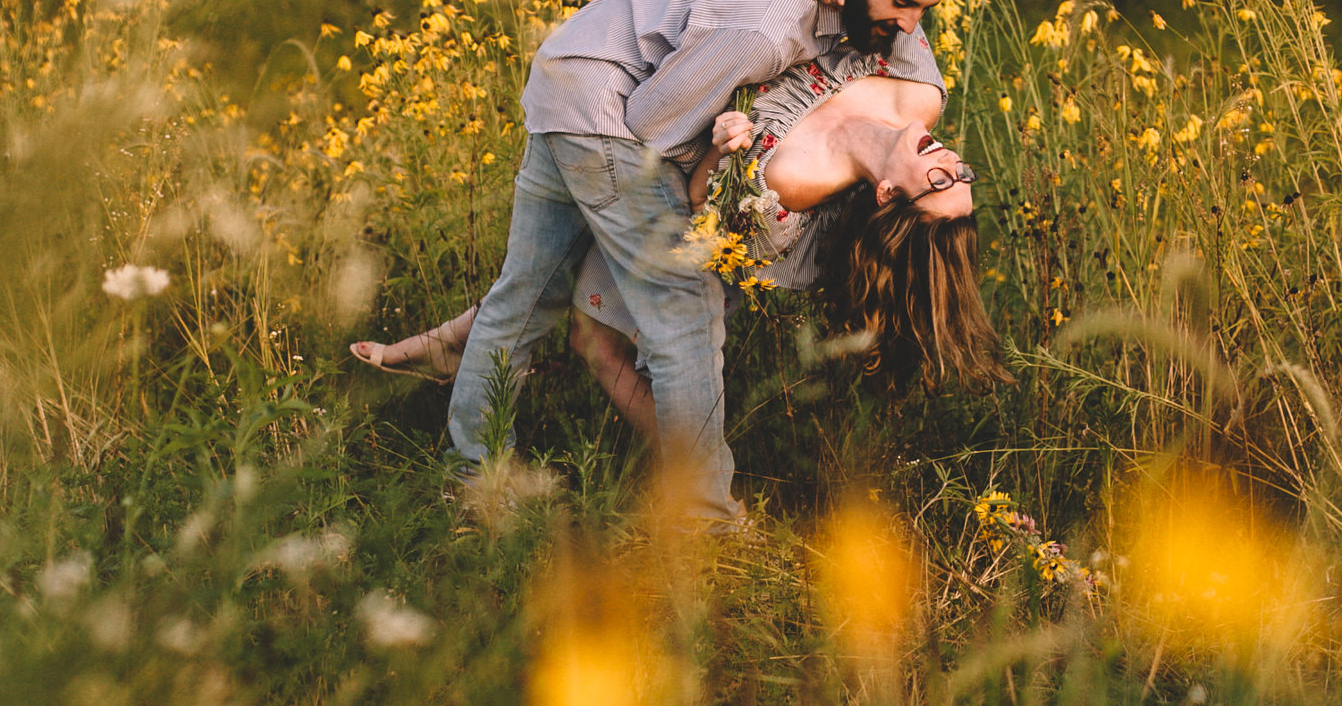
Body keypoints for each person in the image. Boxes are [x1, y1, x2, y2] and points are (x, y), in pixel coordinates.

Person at [373, 0, 966, 522]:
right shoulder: (760, 32)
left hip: (568, 74)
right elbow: (654, 123)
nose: (911, 24)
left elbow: (899, 42)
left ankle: (471, 475)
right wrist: (726, 154)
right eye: (902, 3)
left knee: (529, 293)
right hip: (607, 108)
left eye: (924, 7)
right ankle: (704, 516)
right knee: (683, 311)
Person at [354, 34, 1007, 422]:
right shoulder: (919, 83)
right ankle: (450, 344)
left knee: (597, 343)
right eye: (964, 173)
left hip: (686, 228)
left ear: (891, 193)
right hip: (652, 133)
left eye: (943, 184)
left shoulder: (783, 207)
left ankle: (694, 494)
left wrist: (727, 149)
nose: (952, 162)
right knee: (562, 282)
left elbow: (705, 205)